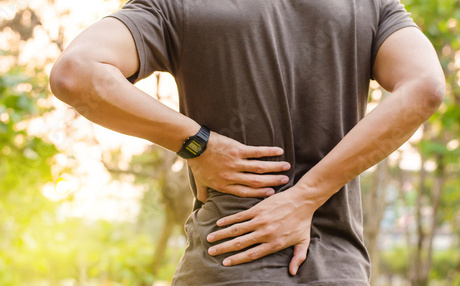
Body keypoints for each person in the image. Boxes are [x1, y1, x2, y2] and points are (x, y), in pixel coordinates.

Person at [49, 0, 445, 284]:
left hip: (228, 262)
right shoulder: (370, 5)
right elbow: (425, 85)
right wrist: (307, 195)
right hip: (338, 270)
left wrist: (196, 144)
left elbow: (76, 72)